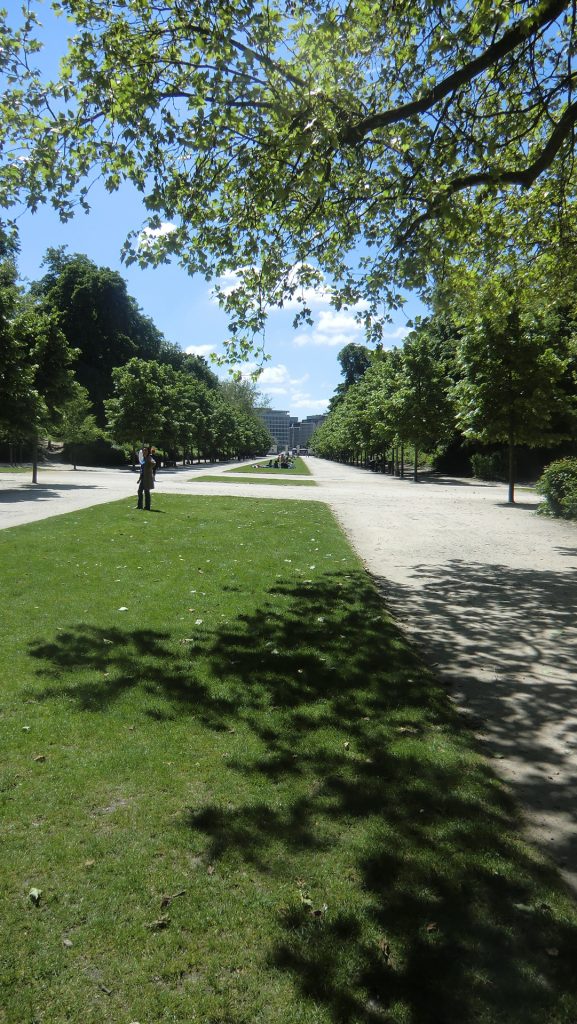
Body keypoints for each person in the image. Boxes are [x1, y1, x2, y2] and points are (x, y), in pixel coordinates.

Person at [137, 446, 156, 510]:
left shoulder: (149, 458)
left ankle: (147, 507)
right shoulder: (143, 458)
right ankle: (139, 506)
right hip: (142, 478)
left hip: (147, 478)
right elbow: (142, 469)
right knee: (139, 491)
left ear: (148, 452)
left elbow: (154, 463)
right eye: (143, 450)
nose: (144, 451)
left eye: (146, 450)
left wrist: (149, 467)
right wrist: (139, 479)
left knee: (146, 492)